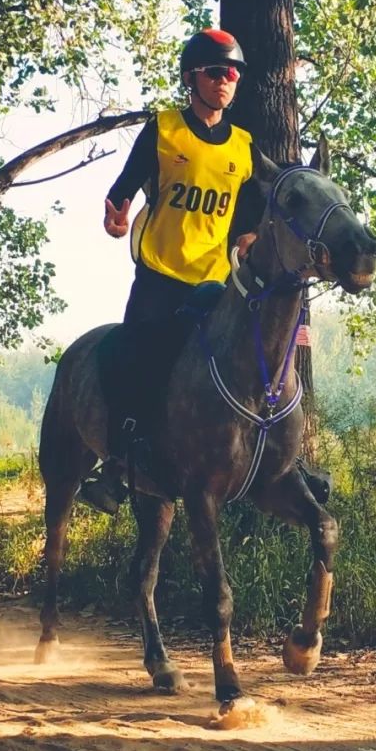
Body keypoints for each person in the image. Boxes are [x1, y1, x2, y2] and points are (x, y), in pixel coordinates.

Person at [79, 28, 263, 513]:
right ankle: (116, 469)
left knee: (255, 358)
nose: (227, 80)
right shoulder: (164, 129)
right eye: (217, 71)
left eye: (235, 73)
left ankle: (271, 459)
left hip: (214, 283)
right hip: (161, 275)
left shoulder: (244, 147)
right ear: (192, 78)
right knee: (131, 358)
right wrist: (114, 217)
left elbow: (245, 219)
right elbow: (123, 188)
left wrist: (250, 237)